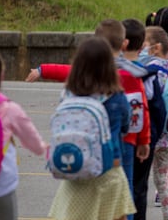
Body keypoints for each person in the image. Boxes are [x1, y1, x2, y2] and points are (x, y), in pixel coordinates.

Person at [48, 36, 136, 220]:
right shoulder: (117, 97)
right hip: (109, 171)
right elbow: (126, 126)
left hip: (76, 169)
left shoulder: (68, 95)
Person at [0, 44, 47, 220]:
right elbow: (32, 141)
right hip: (0, 186)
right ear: (0, 77)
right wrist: (42, 148)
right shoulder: (9, 109)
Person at [140, 26, 168, 220]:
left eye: (144, 45)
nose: (142, 49)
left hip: (151, 132)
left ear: (156, 48)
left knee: (139, 180)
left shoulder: (151, 71)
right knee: (163, 181)